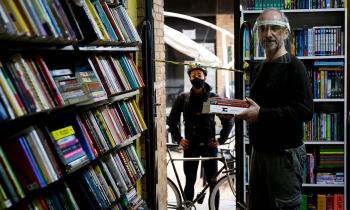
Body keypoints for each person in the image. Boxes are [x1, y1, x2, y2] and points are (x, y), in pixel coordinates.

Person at [236, 8, 314, 210]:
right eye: (263, 29)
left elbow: (305, 110)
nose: (268, 33)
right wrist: (230, 110)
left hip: (284, 157)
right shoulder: (260, 68)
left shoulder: (295, 67)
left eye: (275, 28)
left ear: (285, 33)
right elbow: (256, 107)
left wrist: (261, 114)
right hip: (258, 155)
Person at [167, 65, 234, 207]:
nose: (196, 77)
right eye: (193, 75)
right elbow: (172, 121)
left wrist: (221, 139)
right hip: (190, 145)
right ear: (189, 78)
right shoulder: (183, 98)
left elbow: (228, 119)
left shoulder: (212, 98)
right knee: (189, 181)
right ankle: (187, 206)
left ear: (205, 77)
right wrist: (179, 139)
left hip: (210, 145)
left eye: (199, 74)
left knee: (213, 182)